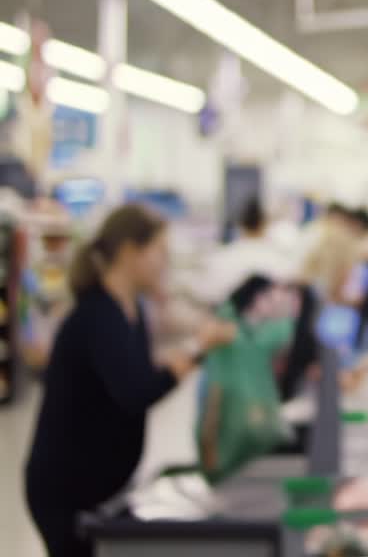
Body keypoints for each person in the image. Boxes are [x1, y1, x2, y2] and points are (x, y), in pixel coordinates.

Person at [25, 204, 237, 557]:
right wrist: (198, 350)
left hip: (97, 491)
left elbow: (136, 371)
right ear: (129, 252)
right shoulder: (99, 315)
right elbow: (137, 391)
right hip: (66, 493)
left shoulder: (131, 309)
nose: (165, 263)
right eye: (159, 252)